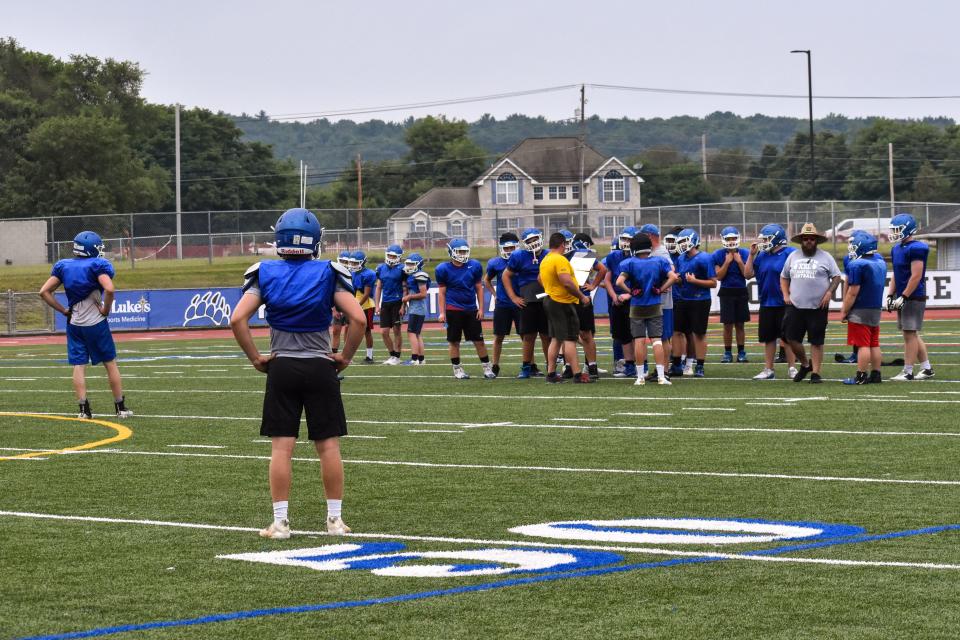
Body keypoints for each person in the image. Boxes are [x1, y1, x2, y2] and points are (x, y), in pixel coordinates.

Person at [229, 208, 364, 539]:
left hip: (283, 366)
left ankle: (280, 523)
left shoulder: (265, 272)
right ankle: (334, 520)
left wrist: (255, 358)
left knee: (281, 448)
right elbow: (359, 319)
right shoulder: (328, 272)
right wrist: (345, 356)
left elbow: (236, 319)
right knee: (329, 446)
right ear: (315, 241)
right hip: (321, 365)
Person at [39, 231, 133, 419]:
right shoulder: (97, 265)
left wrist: (63, 310)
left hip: (74, 324)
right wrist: (106, 310)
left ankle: (84, 410)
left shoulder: (64, 266)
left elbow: (43, 291)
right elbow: (109, 289)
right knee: (110, 364)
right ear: (92, 248)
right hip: (96, 323)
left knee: (78, 365)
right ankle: (120, 408)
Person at [779, 223, 842, 384]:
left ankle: (816, 373)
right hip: (795, 305)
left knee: (816, 341)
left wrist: (829, 292)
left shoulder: (826, 257)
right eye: (805, 238)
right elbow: (784, 276)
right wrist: (785, 294)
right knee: (791, 338)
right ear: (801, 240)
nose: (808, 241)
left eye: (811, 239)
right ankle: (806, 364)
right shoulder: (793, 256)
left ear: (816, 240)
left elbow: (836, 277)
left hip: (818, 306)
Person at [615, 233, 678, 385]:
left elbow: (619, 282)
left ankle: (640, 377)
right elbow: (674, 277)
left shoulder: (629, 263)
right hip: (655, 304)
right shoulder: (659, 261)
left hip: (637, 306)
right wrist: (661, 288)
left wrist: (630, 292)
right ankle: (662, 376)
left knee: (639, 341)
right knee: (657, 340)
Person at [436, 239, 496, 380]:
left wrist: (481, 308)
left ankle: (487, 368)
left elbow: (478, 289)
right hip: (453, 309)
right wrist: (442, 312)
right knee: (454, 341)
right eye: (459, 251)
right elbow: (442, 292)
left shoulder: (474, 265)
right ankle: (457, 369)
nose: (462, 254)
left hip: (471, 309)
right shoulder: (443, 269)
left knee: (479, 341)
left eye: (464, 251)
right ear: (451, 252)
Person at [538, 232, 594, 383]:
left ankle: (550, 374)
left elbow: (540, 279)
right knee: (570, 338)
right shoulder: (559, 259)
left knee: (556, 339)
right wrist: (582, 297)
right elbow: (567, 282)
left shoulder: (545, 260)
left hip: (550, 300)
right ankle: (577, 374)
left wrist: (551, 289)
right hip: (562, 302)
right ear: (562, 244)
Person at [744, 224, 797, 380]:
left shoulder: (791, 253)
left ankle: (792, 367)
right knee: (768, 338)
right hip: (767, 302)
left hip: (786, 302)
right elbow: (747, 275)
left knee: (788, 338)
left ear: (777, 239)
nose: (764, 242)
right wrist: (751, 255)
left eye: (767, 239)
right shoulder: (761, 255)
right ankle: (769, 369)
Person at [887, 213, 935, 381]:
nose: (894, 232)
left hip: (914, 296)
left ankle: (908, 371)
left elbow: (916, 276)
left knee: (909, 334)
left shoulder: (917, 248)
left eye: (897, 229)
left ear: (908, 228)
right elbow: (896, 274)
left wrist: (904, 296)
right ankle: (926, 368)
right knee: (911, 333)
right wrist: (890, 294)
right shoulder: (896, 248)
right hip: (904, 295)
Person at [502, 228, 551, 379]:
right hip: (528, 300)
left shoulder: (548, 254)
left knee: (546, 336)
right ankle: (526, 366)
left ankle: (551, 366)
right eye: (529, 241)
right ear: (524, 243)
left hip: (546, 299)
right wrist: (513, 297)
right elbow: (506, 275)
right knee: (528, 336)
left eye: (535, 239)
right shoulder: (519, 256)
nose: (533, 243)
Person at [840, 231, 887, 385]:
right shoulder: (880, 261)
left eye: (853, 246)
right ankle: (876, 374)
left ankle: (861, 376)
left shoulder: (856, 264)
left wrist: (844, 311)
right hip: (875, 308)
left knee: (863, 345)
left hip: (860, 309)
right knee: (874, 343)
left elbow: (853, 292)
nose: (851, 249)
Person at [672, 228, 717, 378]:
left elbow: (713, 283)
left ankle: (700, 365)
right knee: (677, 332)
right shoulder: (681, 258)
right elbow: (680, 279)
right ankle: (677, 364)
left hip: (700, 300)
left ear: (693, 241)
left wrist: (695, 281)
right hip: (683, 299)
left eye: (684, 241)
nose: (682, 245)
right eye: (681, 242)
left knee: (698, 333)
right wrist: (676, 279)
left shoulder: (705, 258)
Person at [566, 232, 607, 380]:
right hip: (566, 299)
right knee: (567, 336)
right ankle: (569, 367)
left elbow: (602, 269)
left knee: (586, 334)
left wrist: (593, 285)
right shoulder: (555, 256)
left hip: (582, 298)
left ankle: (592, 366)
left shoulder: (581, 254)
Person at [603, 226, 640, 378]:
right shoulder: (614, 256)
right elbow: (607, 279)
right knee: (623, 335)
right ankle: (629, 366)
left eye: (629, 239)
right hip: (617, 301)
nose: (626, 242)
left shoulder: (641, 258)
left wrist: (628, 295)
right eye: (624, 239)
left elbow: (645, 282)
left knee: (637, 335)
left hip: (636, 300)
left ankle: (640, 365)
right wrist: (613, 296)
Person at [484, 232, 521, 377]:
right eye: (507, 249)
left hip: (520, 302)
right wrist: (495, 295)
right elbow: (486, 280)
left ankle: (530, 365)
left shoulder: (522, 259)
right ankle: (495, 365)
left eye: (512, 248)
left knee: (526, 336)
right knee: (499, 336)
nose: (510, 251)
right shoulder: (495, 263)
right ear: (501, 249)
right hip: (503, 304)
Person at [712, 226, 750, 364]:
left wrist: (739, 261)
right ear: (723, 239)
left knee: (740, 325)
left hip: (741, 290)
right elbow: (719, 276)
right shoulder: (717, 254)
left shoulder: (745, 253)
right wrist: (727, 262)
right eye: (728, 238)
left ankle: (741, 352)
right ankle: (727, 352)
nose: (732, 241)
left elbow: (746, 274)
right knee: (727, 325)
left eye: (734, 238)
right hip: (726, 291)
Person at [375, 243, 405, 365]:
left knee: (397, 330)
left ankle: (397, 357)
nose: (391, 258)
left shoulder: (403, 269)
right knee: (384, 332)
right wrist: (377, 305)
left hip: (397, 302)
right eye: (390, 255)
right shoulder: (381, 268)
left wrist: (403, 305)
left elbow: (405, 288)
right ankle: (392, 355)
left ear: (398, 257)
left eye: (394, 256)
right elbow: (378, 287)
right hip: (386, 303)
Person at [348, 250, 377, 364]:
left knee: (367, 331)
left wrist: (356, 306)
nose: (353, 265)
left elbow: (366, 294)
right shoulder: (353, 273)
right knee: (353, 330)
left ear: (362, 262)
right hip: (356, 303)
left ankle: (369, 356)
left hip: (367, 305)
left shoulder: (369, 274)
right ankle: (349, 356)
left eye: (356, 263)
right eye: (352, 263)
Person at [401, 253, 430, 365]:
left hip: (417, 309)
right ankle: (421, 359)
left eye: (411, 264)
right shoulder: (412, 276)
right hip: (417, 309)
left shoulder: (419, 275)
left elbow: (423, 294)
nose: (408, 266)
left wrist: (409, 297)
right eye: (407, 263)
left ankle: (414, 359)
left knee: (411, 333)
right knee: (417, 334)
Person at [330, 251, 353, 354]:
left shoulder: (352, 274)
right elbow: (330, 292)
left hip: (349, 306)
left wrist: (348, 309)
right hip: (337, 306)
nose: (344, 263)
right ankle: (334, 353)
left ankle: (346, 353)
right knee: (336, 331)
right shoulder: (333, 274)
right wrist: (334, 309)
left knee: (349, 331)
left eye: (346, 261)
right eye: (342, 261)